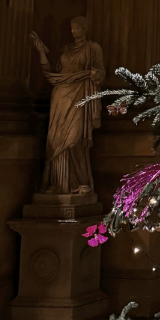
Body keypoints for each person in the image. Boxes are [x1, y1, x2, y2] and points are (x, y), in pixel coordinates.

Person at [30, 17, 104, 195]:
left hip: (80, 95)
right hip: (60, 96)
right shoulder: (65, 49)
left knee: (74, 139)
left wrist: (95, 75)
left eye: (77, 28)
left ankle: (81, 182)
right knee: (55, 141)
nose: (73, 31)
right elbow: (50, 72)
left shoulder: (93, 48)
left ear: (85, 28)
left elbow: (101, 73)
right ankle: (58, 185)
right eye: (72, 28)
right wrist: (41, 51)